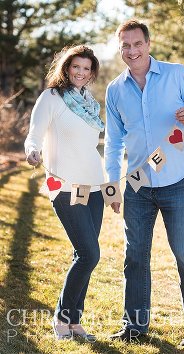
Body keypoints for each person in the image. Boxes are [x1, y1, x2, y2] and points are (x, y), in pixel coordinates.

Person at [103, 19, 184, 346]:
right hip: (137, 185)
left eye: (137, 44)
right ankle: (134, 327)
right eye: (126, 45)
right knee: (135, 256)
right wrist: (112, 186)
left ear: (148, 44)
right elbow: (113, 142)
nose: (132, 51)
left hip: (178, 179)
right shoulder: (115, 90)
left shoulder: (176, 73)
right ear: (120, 48)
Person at [24, 45, 108, 341]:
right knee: (89, 254)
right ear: (66, 67)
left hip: (94, 187)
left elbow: (89, 147)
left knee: (83, 254)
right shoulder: (52, 97)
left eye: (87, 69)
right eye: (77, 67)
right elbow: (33, 134)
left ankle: (74, 321)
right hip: (63, 185)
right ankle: (61, 318)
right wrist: (32, 151)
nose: (81, 73)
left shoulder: (89, 104)